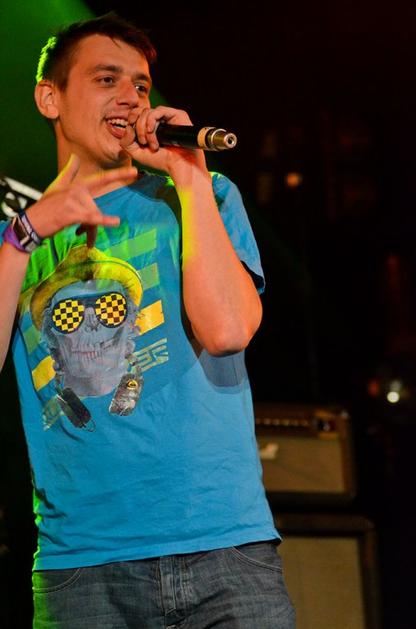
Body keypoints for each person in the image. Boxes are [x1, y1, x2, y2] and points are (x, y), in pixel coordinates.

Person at [0, 13, 295, 628]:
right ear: (50, 98)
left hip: (225, 550)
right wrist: (24, 235)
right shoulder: (16, 240)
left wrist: (188, 174)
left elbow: (227, 332)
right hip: (84, 569)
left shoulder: (204, 195)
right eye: (106, 79)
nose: (131, 97)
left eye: (140, 84)